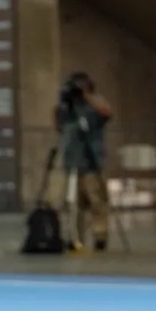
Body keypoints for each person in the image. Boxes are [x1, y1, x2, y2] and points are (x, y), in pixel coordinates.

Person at [53, 72, 113, 251]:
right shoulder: (68, 109)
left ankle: (100, 236)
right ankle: (75, 238)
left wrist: (87, 97)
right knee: (74, 205)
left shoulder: (94, 105)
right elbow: (58, 124)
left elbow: (107, 113)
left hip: (91, 162)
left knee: (97, 202)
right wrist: (65, 101)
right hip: (72, 163)